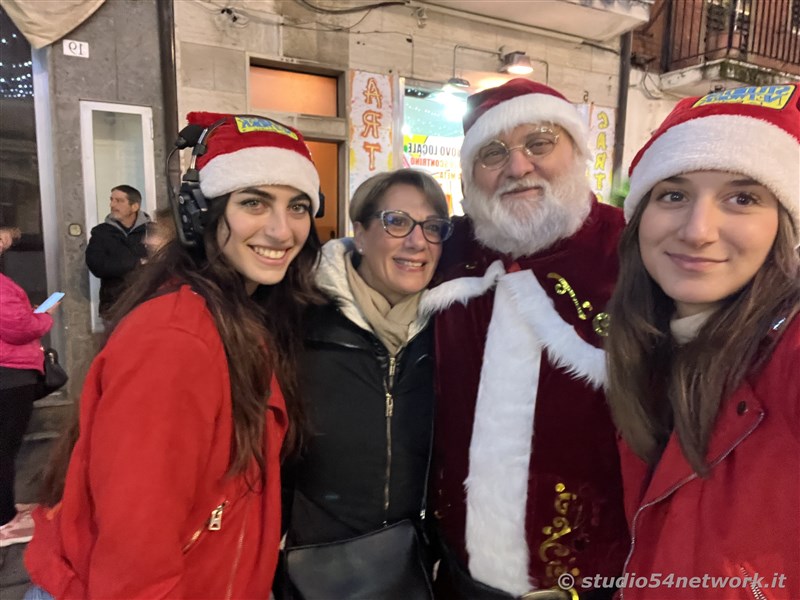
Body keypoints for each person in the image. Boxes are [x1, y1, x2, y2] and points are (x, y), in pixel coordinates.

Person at [23, 112, 323, 599]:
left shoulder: (240, 319)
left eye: (298, 207)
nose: (281, 230)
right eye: (254, 202)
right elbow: (136, 558)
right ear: (199, 214)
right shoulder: (177, 339)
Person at [422, 79, 629, 598]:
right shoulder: (444, 254)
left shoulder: (636, 255)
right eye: (493, 153)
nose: (517, 167)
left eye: (539, 143)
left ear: (577, 151)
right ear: (470, 176)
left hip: (597, 577)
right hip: (457, 571)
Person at [605, 84, 800, 599]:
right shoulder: (648, 347)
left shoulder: (788, 352)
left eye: (742, 198)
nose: (698, 230)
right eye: (674, 194)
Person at [280, 169, 452, 597]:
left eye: (432, 228)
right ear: (360, 232)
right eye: (397, 222)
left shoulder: (451, 329)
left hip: (412, 567)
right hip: (313, 567)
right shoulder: (300, 318)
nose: (417, 242)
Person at [0, 227, 59, 547]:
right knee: (4, 449)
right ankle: (4, 520)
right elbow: (19, 328)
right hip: (9, 374)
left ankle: (5, 510)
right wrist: (44, 316)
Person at [85, 184, 150, 319]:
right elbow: (97, 266)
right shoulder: (101, 232)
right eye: (111, 200)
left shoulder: (152, 231)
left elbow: (161, 261)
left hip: (146, 304)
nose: (112, 205)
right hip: (114, 307)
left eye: (119, 201)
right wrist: (138, 262)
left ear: (135, 206)